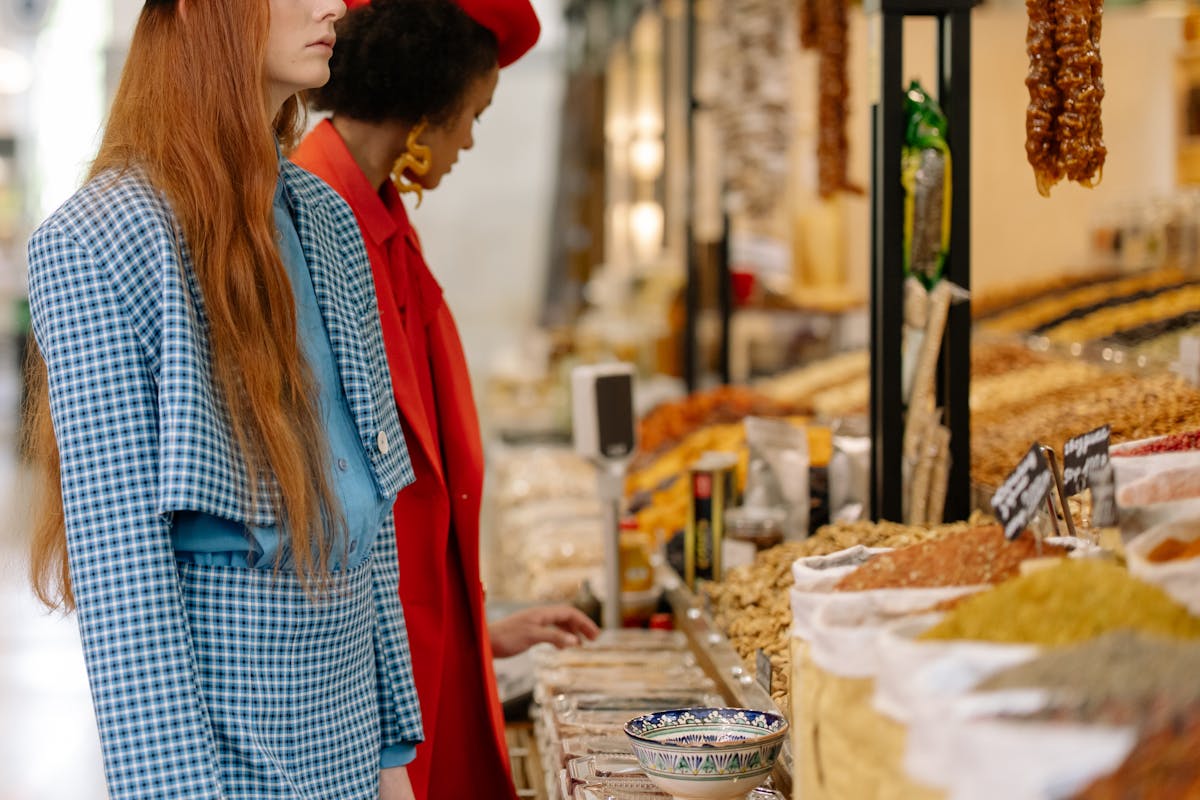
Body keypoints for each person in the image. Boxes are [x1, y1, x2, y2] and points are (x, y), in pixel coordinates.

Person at [25, 1, 424, 798]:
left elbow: (371, 524)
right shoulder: (99, 239)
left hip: (349, 722)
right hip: (226, 744)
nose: (335, 7)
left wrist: (393, 763)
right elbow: (123, 577)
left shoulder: (330, 222)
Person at [291, 0, 600, 796]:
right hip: (351, 689)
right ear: (430, 105)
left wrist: (472, 631)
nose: (467, 141)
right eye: (474, 114)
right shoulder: (309, 221)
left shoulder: (384, 216)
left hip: (417, 649)